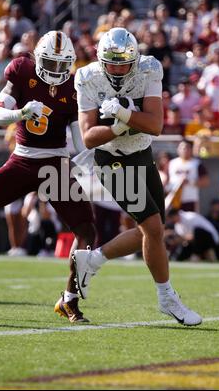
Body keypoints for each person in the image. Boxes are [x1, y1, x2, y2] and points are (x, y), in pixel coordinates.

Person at [0, 31, 96, 324]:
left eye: (62, 65)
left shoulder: (76, 86)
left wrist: (81, 161)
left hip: (54, 164)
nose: (55, 72)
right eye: (49, 63)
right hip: (23, 159)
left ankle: (69, 300)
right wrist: (21, 113)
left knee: (87, 231)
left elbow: (80, 140)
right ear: (37, 58)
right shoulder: (23, 71)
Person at [72, 27, 202, 326]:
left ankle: (93, 259)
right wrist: (120, 126)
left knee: (151, 232)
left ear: (135, 59)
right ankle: (167, 298)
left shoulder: (149, 69)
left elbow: (155, 125)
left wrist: (122, 114)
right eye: (112, 63)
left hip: (142, 153)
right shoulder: (88, 77)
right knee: (154, 229)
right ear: (101, 60)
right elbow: (89, 137)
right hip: (110, 158)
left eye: (123, 63)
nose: (117, 68)